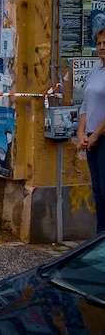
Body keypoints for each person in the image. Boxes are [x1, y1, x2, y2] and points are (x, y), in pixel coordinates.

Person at [77, 27, 105, 234]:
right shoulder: (95, 71)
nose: (102, 47)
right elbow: (85, 105)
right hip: (91, 138)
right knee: (97, 191)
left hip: (102, 137)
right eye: (99, 43)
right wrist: (81, 132)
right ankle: (99, 239)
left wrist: (96, 135)